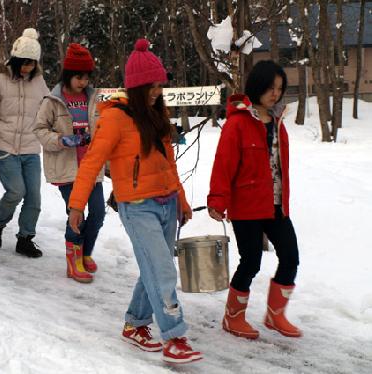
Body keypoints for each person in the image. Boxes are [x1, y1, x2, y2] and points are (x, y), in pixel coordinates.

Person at [68, 39, 202, 364]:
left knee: (151, 267)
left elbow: (169, 164)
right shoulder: (115, 118)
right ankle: (174, 336)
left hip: (167, 203)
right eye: (151, 85)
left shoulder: (158, 116)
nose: (157, 91)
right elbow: (92, 161)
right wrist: (77, 204)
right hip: (137, 206)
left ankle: (135, 324)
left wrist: (182, 201)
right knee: (161, 267)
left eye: (160, 85)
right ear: (136, 86)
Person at [207, 60, 302, 339]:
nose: (275, 93)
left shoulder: (277, 121)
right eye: (271, 87)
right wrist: (217, 199)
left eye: (280, 89)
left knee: (290, 257)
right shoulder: (237, 123)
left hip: (275, 204)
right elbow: (224, 163)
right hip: (246, 205)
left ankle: (275, 315)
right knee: (250, 262)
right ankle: (233, 317)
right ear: (257, 86)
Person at [0, 28, 49, 258]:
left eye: (32, 64)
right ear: (15, 59)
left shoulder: (38, 82)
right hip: (5, 146)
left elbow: (50, 109)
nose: (27, 68)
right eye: (24, 63)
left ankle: (25, 238)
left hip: (30, 147)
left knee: (34, 198)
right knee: (16, 191)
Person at [36, 43, 104, 283]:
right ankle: (72, 260)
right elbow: (39, 130)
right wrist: (61, 140)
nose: (83, 82)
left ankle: (85, 252)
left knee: (98, 212)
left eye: (86, 77)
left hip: (91, 167)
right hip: (66, 168)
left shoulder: (94, 98)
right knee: (76, 214)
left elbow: (103, 127)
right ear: (67, 75)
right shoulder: (52, 101)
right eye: (78, 77)